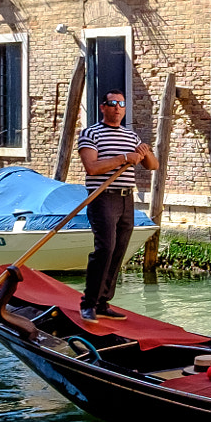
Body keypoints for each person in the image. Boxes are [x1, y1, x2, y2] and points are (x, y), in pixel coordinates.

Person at [76, 90, 156, 322]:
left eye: (122, 104)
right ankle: (88, 303)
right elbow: (92, 167)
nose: (118, 108)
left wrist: (144, 152)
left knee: (119, 251)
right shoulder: (90, 134)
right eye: (113, 103)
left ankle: (103, 302)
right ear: (103, 107)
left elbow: (153, 166)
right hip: (102, 198)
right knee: (105, 249)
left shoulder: (131, 137)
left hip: (125, 199)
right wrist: (124, 158)